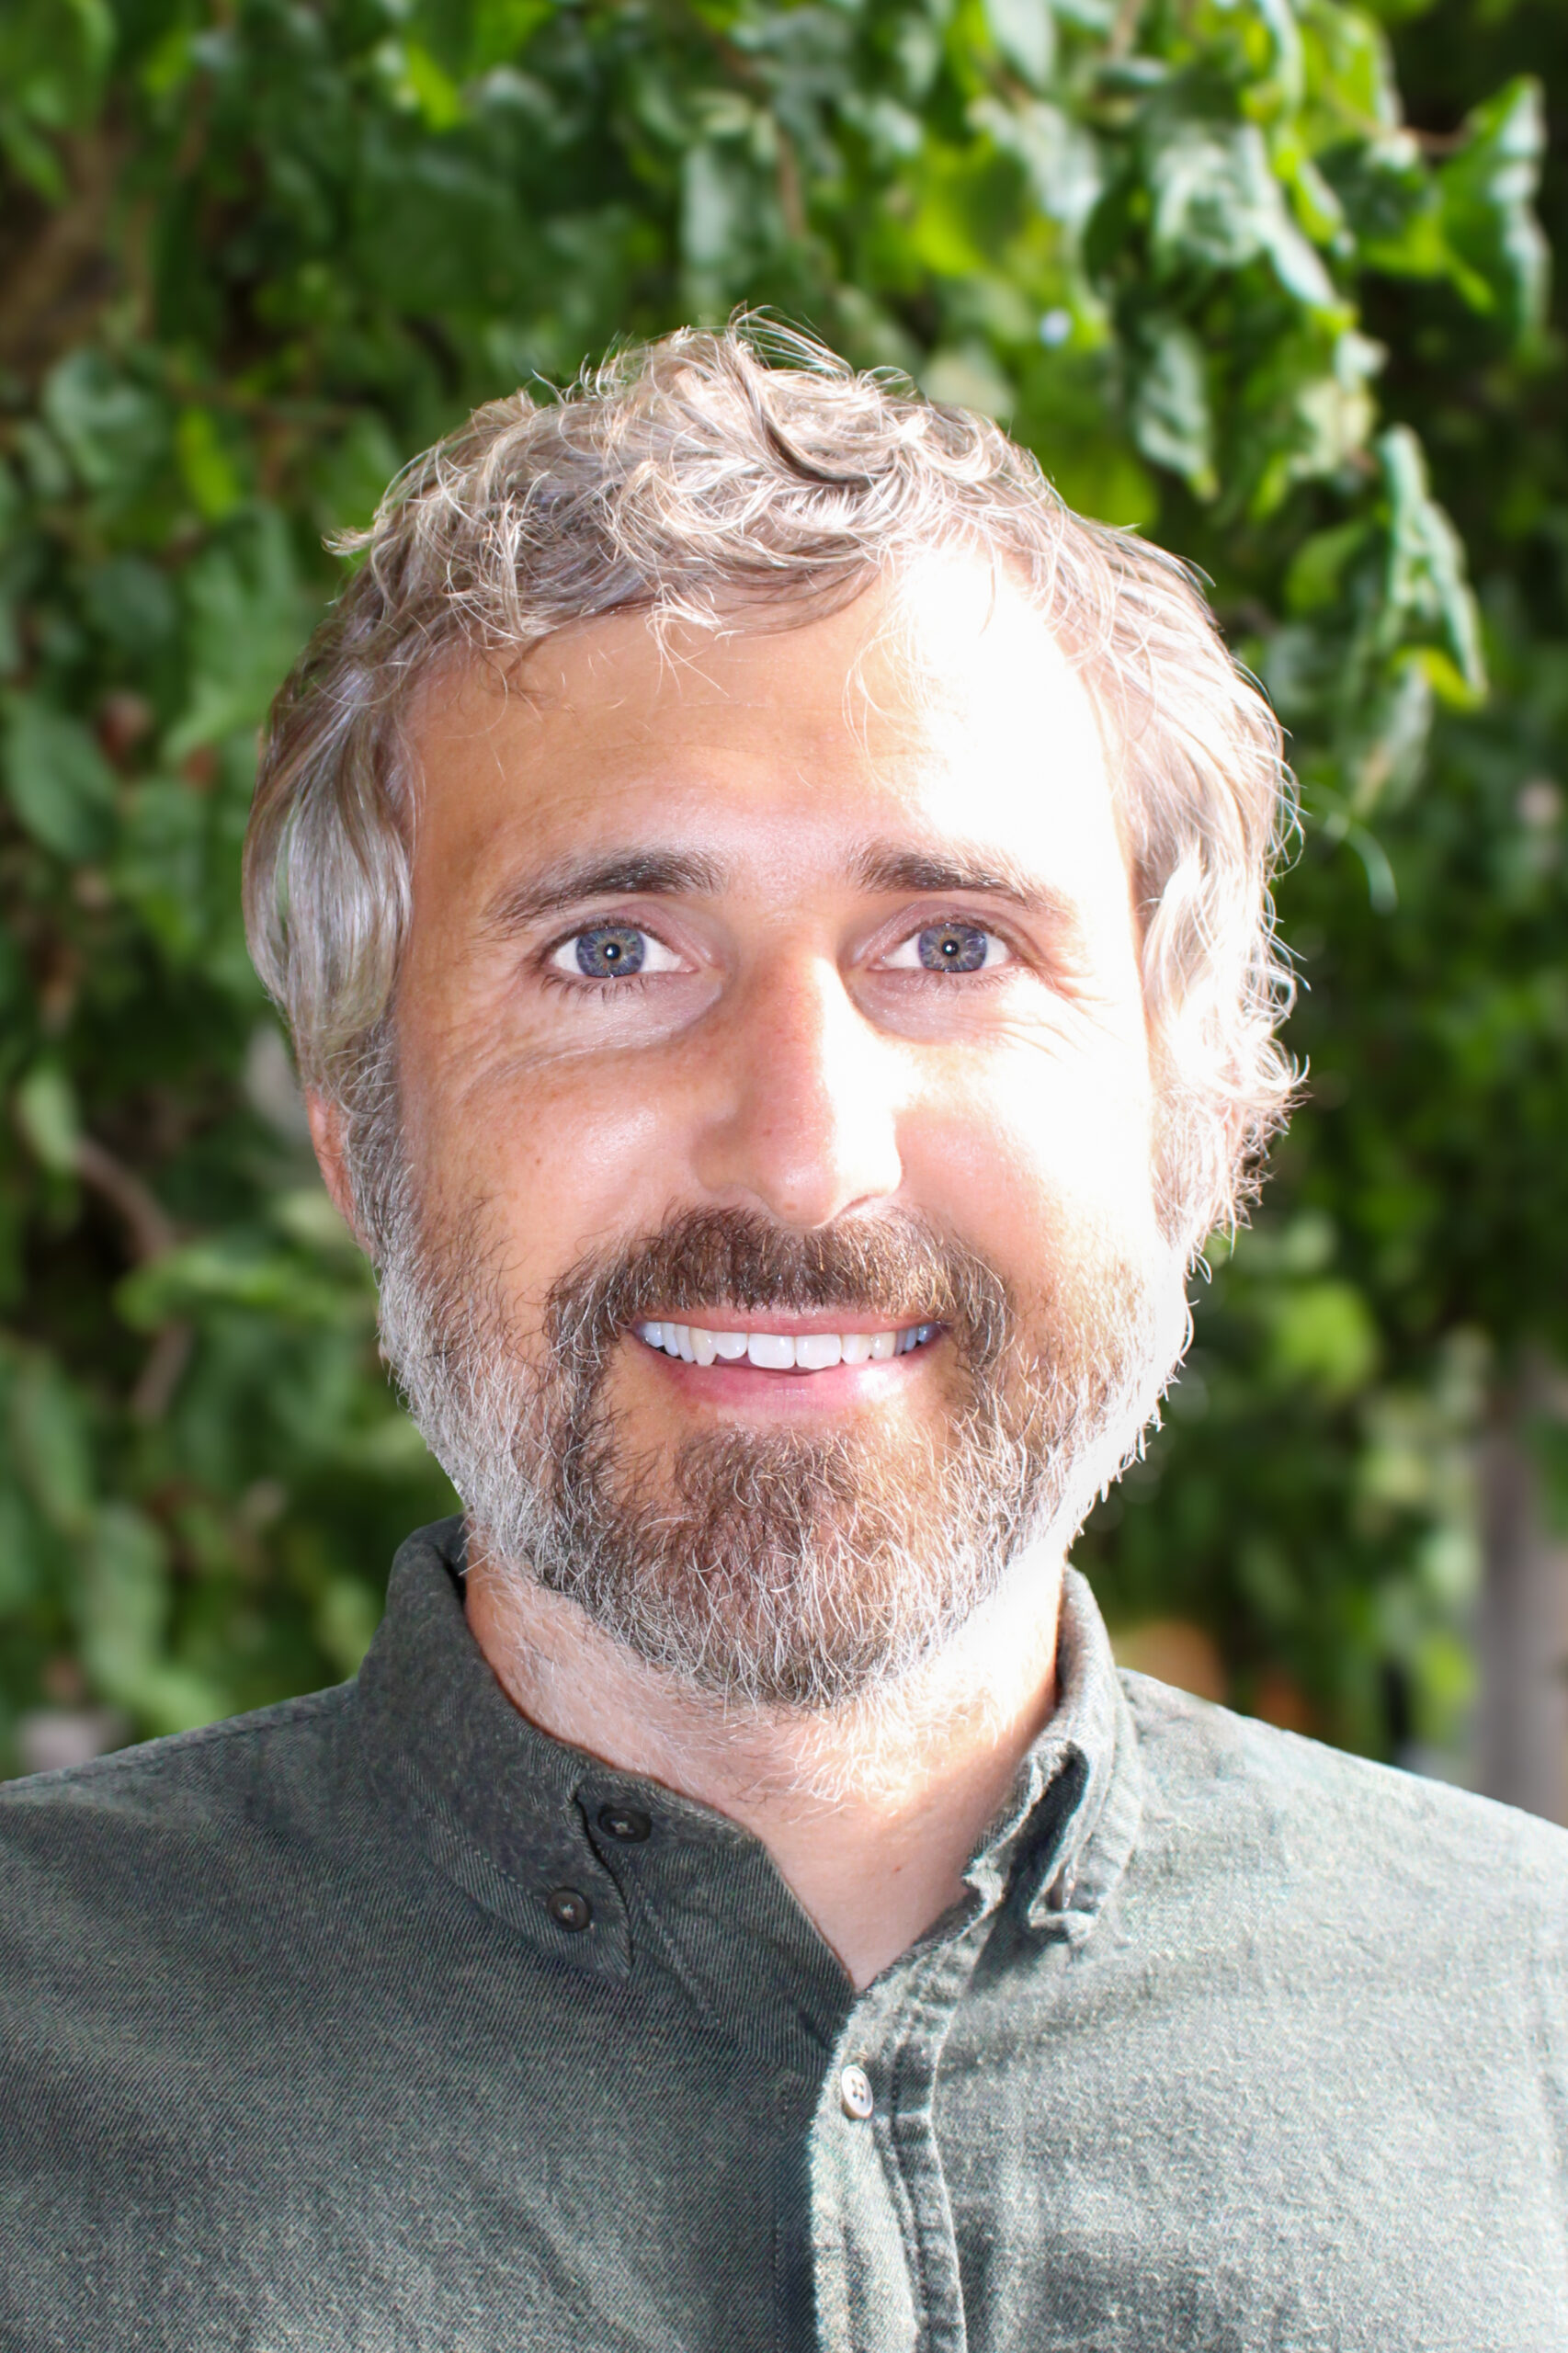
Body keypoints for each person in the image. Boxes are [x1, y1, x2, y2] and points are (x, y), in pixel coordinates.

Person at [2, 324, 1563, 2353]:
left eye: (952, 946)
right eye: (613, 952)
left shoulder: (1530, 2041)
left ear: (1197, 1124)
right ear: (361, 1149)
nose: (808, 1156)